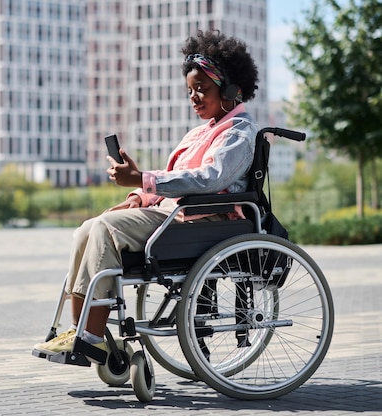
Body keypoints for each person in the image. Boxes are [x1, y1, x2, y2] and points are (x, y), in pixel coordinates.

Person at [34, 30, 260, 355]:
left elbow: (208, 179)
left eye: (202, 89)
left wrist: (143, 178)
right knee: (87, 228)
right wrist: (137, 196)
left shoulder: (239, 132)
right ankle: (78, 329)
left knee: (103, 230)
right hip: (174, 215)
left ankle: (91, 337)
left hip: (204, 220)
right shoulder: (200, 133)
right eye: (190, 91)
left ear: (230, 90)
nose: (194, 97)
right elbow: (176, 178)